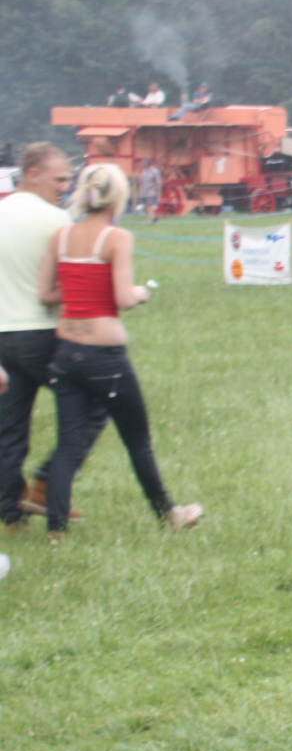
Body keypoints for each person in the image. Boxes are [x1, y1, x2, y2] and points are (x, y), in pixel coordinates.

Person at [32, 163, 200, 541]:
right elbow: (124, 298)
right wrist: (141, 292)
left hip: (65, 353)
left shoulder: (61, 236)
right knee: (137, 439)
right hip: (104, 357)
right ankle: (168, 512)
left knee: (68, 445)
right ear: (119, 198)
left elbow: (46, 294)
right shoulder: (116, 238)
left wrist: (82, 290)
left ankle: (55, 529)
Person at [0, 142, 72, 530]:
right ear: (32, 173)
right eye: (58, 178)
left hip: (2, 335)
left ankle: (10, 513)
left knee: (10, 428)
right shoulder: (56, 220)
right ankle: (46, 484)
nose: (64, 186)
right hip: (42, 331)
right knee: (92, 405)